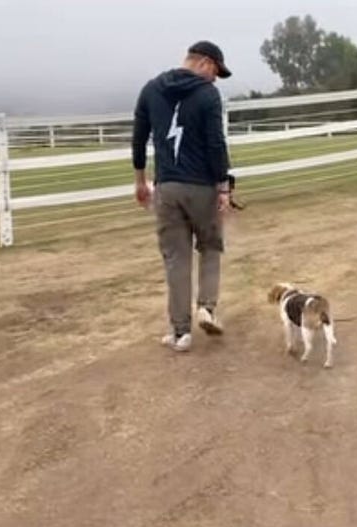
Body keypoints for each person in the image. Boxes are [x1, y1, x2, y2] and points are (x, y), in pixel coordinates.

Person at [131, 40, 234, 352]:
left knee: (176, 259)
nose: (215, 78)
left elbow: (138, 138)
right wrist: (224, 186)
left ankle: (180, 332)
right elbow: (215, 142)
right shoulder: (207, 94)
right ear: (203, 62)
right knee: (210, 247)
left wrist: (140, 180)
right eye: (215, 71)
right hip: (201, 185)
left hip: (166, 187)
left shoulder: (150, 89)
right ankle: (207, 307)